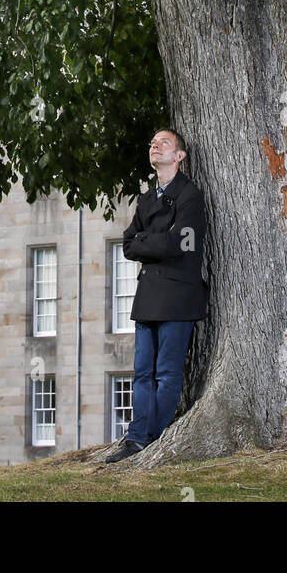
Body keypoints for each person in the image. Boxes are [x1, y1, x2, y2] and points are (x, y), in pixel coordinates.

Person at [105, 128, 207, 463]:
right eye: (152, 142)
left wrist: (150, 241)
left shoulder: (190, 196)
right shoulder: (147, 199)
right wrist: (158, 239)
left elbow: (184, 243)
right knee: (141, 372)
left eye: (163, 142)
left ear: (179, 156)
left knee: (166, 374)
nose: (154, 145)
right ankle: (136, 438)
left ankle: (152, 438)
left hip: (178, 297)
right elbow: (128, 242)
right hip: (148, 296)